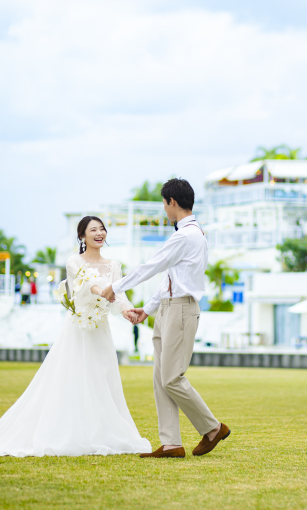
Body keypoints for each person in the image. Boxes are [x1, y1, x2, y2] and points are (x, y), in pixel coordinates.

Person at [0, 216, 150, 457]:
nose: (99, 233)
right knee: (73, 378)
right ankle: (72, 433)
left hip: (100, 331)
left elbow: (119, 294)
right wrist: (104, 292)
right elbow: (85, 284)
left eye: (102, 229)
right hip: (78, 330)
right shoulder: (74, 261)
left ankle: (103, 432)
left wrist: (127, 310)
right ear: (82, 236)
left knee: (102, 378)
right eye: (93, 229)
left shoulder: (113, 265)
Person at [102, 178, 230, 459]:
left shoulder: (186, 236)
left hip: (181, 310)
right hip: (169, 309)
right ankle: (171, 443)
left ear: (172, 202)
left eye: (164, 203)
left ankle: (212, 428)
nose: (164, 208)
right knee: (161, 378)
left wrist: (117, 286)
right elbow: (169, 278)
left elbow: (152, 265)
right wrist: (148, 309)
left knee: (171, 377)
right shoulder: (190, 235)